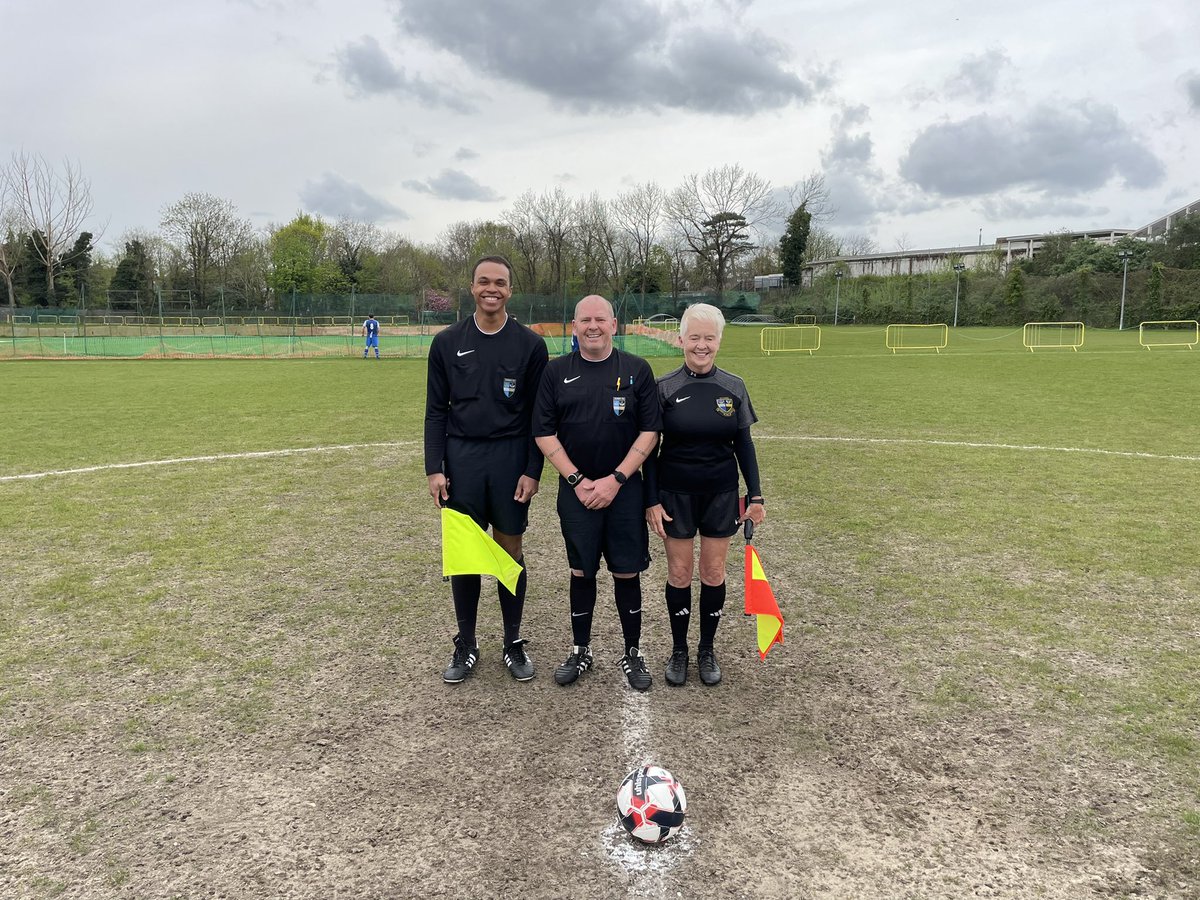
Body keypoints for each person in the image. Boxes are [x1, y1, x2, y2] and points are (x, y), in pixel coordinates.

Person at [424, 256, 550, 684]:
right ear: (472, 287)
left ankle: (512, 643)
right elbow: (435, 412)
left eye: (499, 282)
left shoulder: (530, 345)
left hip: (511, 458)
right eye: (483, 281)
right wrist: (433, 468)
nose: (491, 288)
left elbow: (539, 416)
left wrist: (533, 469)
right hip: (461, 461)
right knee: (465, 555)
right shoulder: (446, 342)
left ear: (510, 290)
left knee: (509, 550)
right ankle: (467, 643)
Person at [534, 295, 661, 691]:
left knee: (626, 570)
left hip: (624, 492)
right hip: (576, 494)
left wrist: (616, 480)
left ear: (614, 324)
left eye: (600, 319)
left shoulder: (638, 370)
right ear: (574, 326)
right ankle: (580, 649)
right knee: (581, 570)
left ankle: (633, 652)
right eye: (585, 320)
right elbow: (543, 431)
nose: (593, 326)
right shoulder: (555, 373)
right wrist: (576, 481)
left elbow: (650, 431)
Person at [644, 303, 765, 687]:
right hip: (674, 493)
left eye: (708, 338)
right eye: (694, 337)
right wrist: (651, 499)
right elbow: (648, 450)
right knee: (679, 573)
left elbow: (744, 444)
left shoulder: (734, 386)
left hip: (720, 494)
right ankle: (679, 650)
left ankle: (706, 649)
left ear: (719, 341)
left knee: (713, 573)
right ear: (681, 340)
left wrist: (756, 496)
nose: (701, 345)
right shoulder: (664, 388)